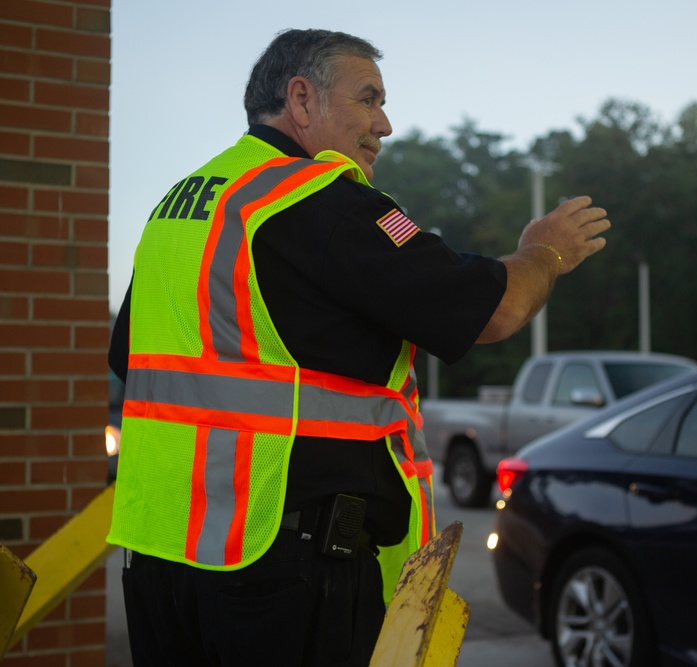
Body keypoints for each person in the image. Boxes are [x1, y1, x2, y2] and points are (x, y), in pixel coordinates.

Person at [107, 28, 609, 667]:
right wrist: (546, 250)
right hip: (282, 574)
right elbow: (497, 309)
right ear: (302, 99)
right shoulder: (322, 200)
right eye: (368, 99)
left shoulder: (179, 210)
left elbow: (137, 361)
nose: (385, 124)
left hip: (161, 565)